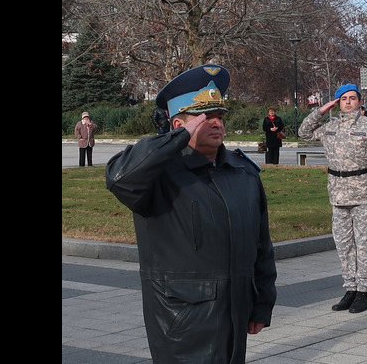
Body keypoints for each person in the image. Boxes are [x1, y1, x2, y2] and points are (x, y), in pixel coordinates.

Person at [105, 64, 277, 364]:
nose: (216, 123)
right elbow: (120, 178)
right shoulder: (157, 176)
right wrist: (175, 140)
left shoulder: (243, 173)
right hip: (182, 319)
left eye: (219, 116)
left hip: (234, 312)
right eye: (204, 117)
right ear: (177, 127)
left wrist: (262, 303)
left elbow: (261, 245)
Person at [299, 83, 367, 313]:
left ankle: (363, 291)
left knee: (363, 244)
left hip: (363, 194)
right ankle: (350, 287)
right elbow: (304, 132)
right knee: (344, 245)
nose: (348, 102)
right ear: (337, 103)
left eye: (352, 98)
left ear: (360, 101)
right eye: (343, 99)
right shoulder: (330, 126)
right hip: (338, 194)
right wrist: (320, 110)